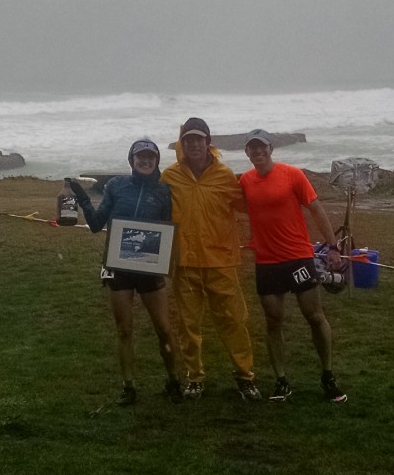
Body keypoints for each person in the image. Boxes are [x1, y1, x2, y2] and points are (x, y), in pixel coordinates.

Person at [69, 139, 182, 406]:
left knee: (164, 329)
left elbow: (167, 230)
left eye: (150, 157)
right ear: (131, 160)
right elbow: (97, 225)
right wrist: (84, 199)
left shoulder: (165, 192)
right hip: (118, 268)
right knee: (124, 330)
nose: (145, 160)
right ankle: (128, 386)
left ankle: (173, 380)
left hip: (149, 268)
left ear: (156, 161)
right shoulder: (116, 186)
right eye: (139, 156)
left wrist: (166, 261)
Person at [238, 129, 347, 403]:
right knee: (273, 321)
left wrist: (333, 246)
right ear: (247, 153)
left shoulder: (293, 175)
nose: (258, 153)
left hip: (298, 258)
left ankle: (328, 375)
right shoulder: (245, 182)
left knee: (314, 316)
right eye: (252, 149)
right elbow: (224, 206)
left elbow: (316, 209)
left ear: (271, 149)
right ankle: (281, 380)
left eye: (262, 147)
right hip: (267, 262)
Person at [160, 118, 261, 401]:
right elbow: (155, 213)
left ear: (208, 142)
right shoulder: (169, 177)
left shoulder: (226, 176)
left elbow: (251, 206)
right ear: (181, 143)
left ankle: (245, 376)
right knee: (188, 325)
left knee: (234, 321)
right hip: (185, 263)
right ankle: (194, 377)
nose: (194, 144)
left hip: (222, 261)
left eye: (199, 139)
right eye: (188, 139)